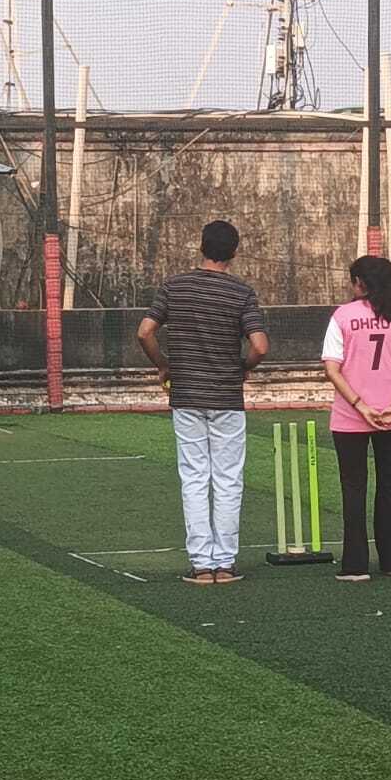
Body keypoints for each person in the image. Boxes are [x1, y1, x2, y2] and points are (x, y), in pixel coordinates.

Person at [137, 221, 269, 586]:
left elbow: (144, 332)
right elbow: (260, 346)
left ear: (201, 247)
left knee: (194, 478)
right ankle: (225, 563)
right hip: (226, 396)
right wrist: (244, 367)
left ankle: (201, 564)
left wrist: (163, 364)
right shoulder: (241, 292)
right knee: (228, 480)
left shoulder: (174, 287)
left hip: (187, 394)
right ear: (234, 252)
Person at [322, 256, 391, 581]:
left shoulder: (343, 316)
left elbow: (332, 369)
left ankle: (355, 565)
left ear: (360, 283)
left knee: (353, 487)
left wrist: (359, 405)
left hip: (350, 417)